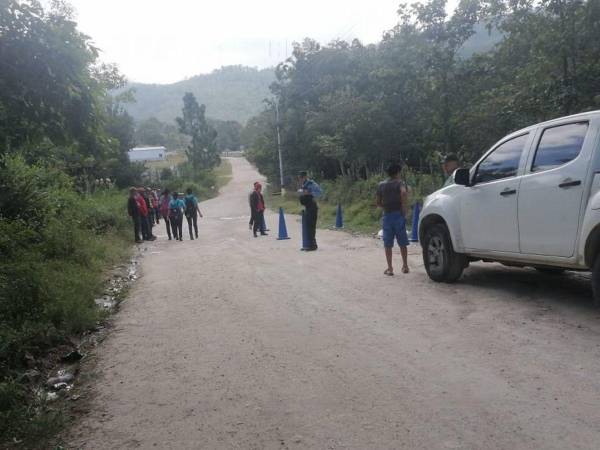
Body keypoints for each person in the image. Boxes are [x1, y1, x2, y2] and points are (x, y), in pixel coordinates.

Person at [376, 162, 409, 276]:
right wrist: (404, 209)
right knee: (402, 242)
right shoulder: (400, 183)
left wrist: (384, 206)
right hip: (398, 215)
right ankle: (405, 266)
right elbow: (404, 193)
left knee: (388, 243)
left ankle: (390, 268)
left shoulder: (381, 185)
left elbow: (378, 202)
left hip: (387, 216)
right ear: (398, 173)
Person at [298, 171, 321, 251]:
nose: (300, 179)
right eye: (300, 178)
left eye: (301, 177)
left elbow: (319, 192)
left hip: (312, 207)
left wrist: (310, 193)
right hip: (307, 207)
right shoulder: (304, 185)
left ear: (305, 177)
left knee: (311, 227)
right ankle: (308, 244)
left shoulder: (311, 183)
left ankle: (313, 246)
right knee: (307, 226)